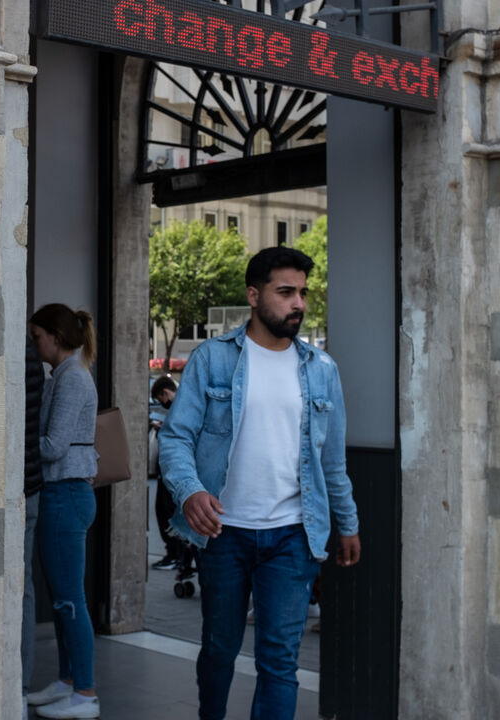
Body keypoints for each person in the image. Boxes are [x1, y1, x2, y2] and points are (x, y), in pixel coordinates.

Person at [158, 246, 361, 720]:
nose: (299, 304)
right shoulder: (213, 360)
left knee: (278, 662)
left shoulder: (322, 370)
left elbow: (332, 459)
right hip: (223, 533)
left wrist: (347, 523)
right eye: (285, 292)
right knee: (218, 651)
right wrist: (189, 491)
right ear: (254, 295)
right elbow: (175, 438)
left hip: (293, 535)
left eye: (303, 293)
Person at [25, 303, 101, 720]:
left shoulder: (72, 379)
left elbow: (53, 447)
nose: (34, 345)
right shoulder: (66, 375)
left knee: (70, 601)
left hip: (64, 494)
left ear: (55, 336)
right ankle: (69, 681)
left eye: (37, 336)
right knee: (63, 600)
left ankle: (85, 692)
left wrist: (14, 442)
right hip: (66, 493)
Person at [21, 335, 45, 718]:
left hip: (21, 488)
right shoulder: (37, 365)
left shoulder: (20, 356)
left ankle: (16, 687)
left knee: (19, 589)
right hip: (29, 486)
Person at [148, 375, 187, 571]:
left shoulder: (180, 406)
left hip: (172, 470)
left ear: (165, 393)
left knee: (166, 511)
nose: (162, 404)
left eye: (160, 399)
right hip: (171, 469)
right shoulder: (183, 404)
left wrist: (162, 429)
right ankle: (176, 555)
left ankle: (175, 554)